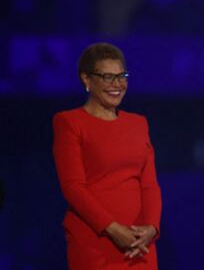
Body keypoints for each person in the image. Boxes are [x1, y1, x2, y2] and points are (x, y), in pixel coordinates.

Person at [53, 43, 162, 269]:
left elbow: (150, 185)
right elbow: (73, 187)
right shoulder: (69, 122)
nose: (118, 85)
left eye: (122, 76)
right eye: (107, 77)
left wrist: (151, 228)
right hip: (96, 243)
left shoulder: (138, 123)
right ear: (86, 79)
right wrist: (113, 229)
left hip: (140, 246)